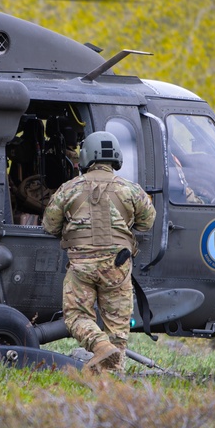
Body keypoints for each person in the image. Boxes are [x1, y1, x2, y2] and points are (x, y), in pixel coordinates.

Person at [42, 131, 156, 372]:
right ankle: (112, 380)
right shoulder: (131, 190)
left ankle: (100, 347)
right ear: (115, 157)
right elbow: (147, 223)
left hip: (82, 267)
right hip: (118, 266)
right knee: (117, 329)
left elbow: (50, 225)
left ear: (86, 156)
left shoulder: (68, 189)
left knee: (75, 316)